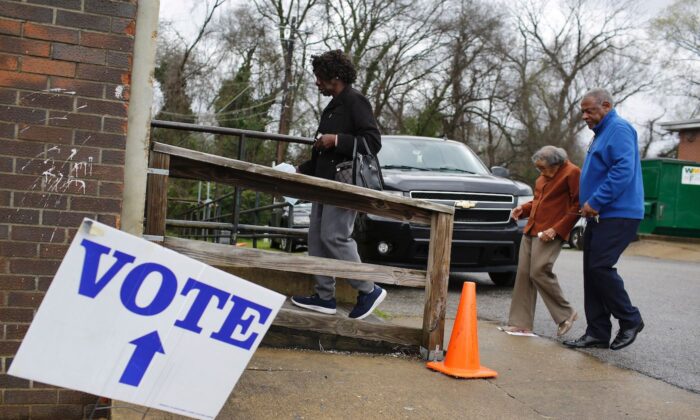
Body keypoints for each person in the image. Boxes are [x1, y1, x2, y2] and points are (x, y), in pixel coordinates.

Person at [291, 50, 386, 320]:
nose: (316, 83)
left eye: (319, 78)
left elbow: (373, 142)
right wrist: (300, 169)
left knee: (335, 237)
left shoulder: (356, 102)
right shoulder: (332, 106)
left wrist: (337, 140)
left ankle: (368, 289)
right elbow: (323, 154)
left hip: (344, 184)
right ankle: (324, 297)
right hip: (323, 184)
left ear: (335, 77)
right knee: (316, 239)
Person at [564, 88, 645, 350]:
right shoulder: (600, 135)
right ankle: (597, 332)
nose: (585, 116)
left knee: (600, 267)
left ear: (606, 106)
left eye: (590, 111)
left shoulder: (619, 129)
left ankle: (630, 319)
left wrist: (596, 201)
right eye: (582, 112)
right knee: (591, 271)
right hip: (599, 215)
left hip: (618, 213)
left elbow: (623, 170)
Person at [503, 146, 580, 337]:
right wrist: (524, 209)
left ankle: (566, 314)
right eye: (539, 169)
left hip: (551, 231)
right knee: (523, 274)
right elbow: (539, 202)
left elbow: (577, 205)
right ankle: (521, 324)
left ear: (558, 163)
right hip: (531, 230)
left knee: (539, 271)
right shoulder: (544, 177)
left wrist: (557, 229)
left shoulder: (572, 173)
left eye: (544, 168)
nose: (541, 172)